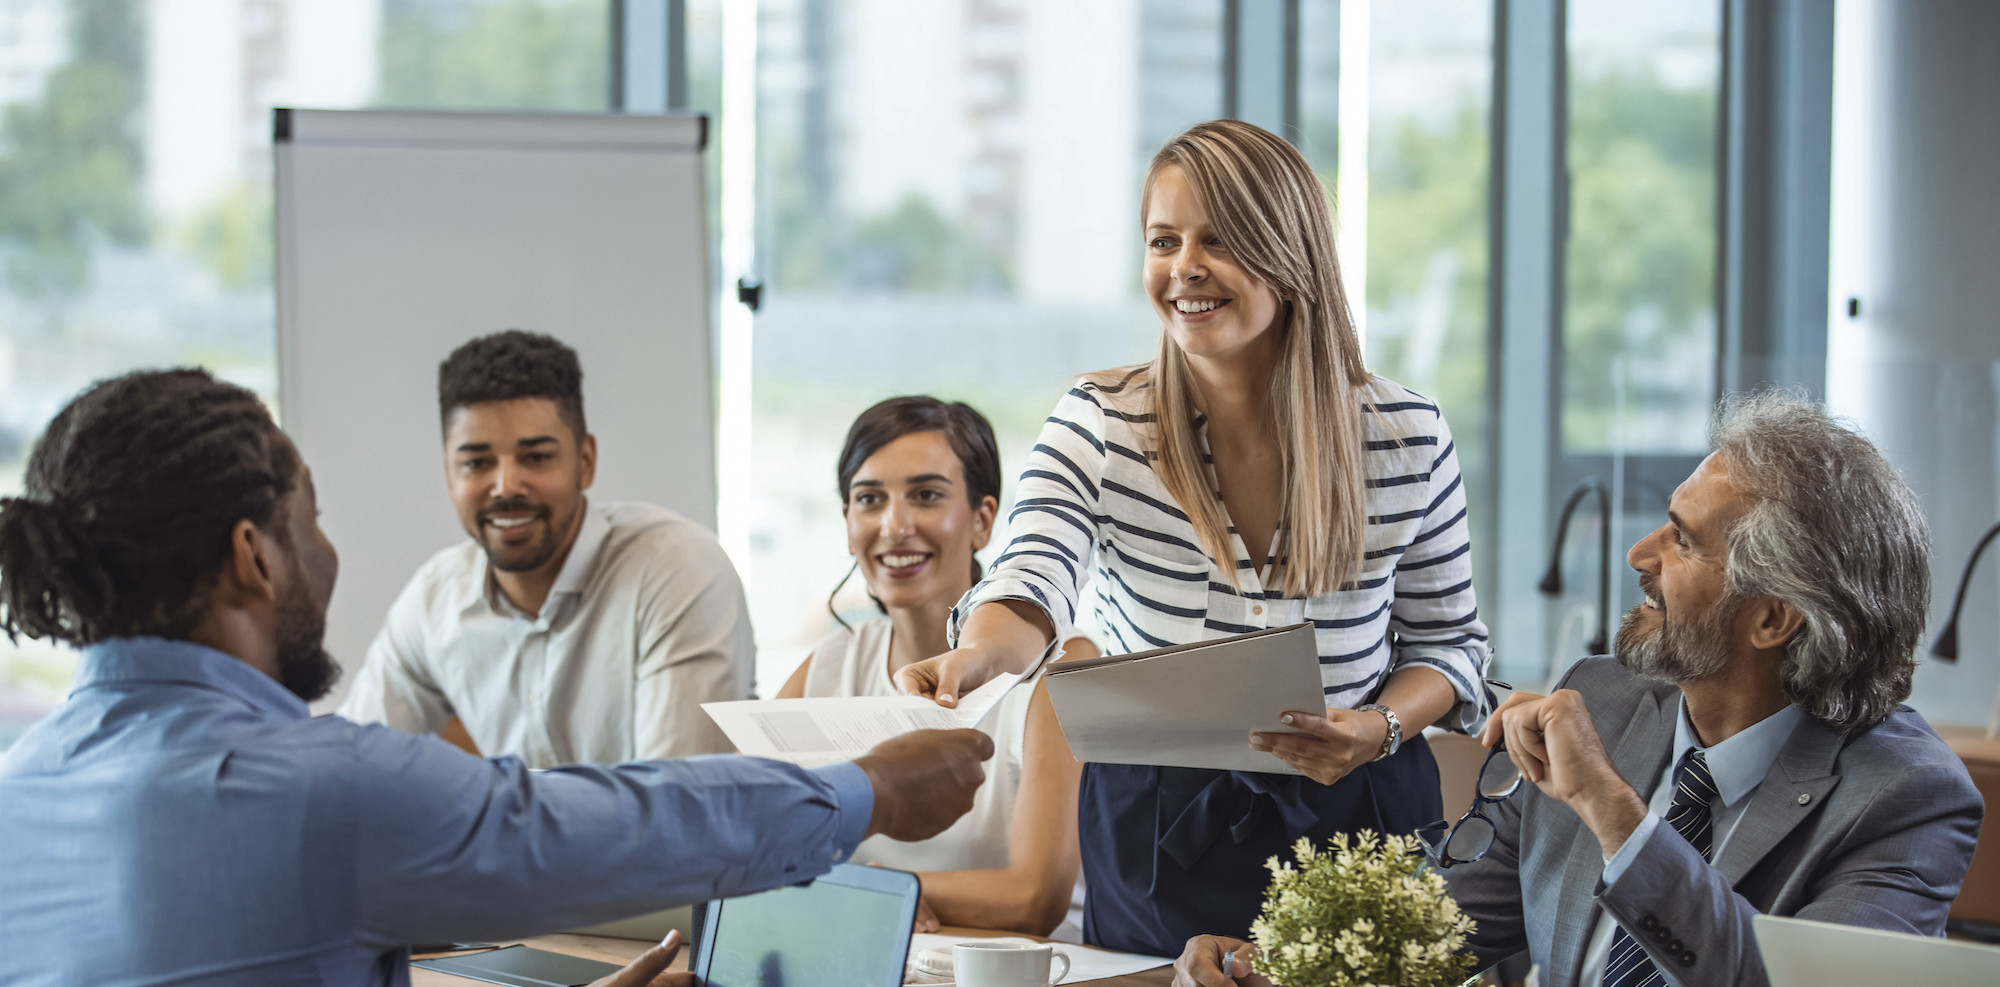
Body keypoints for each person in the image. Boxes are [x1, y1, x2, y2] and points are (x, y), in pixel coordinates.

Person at [0, 369, 994, 987]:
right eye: (312, 519)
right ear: (253, 556)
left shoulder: (18, 788)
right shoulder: (317, 792)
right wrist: (872, 788)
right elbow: (609, 823)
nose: (329, 554)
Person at [893, 120, 1493, 958]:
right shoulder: (1102, 419)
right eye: (1163, 240)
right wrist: (976, 658)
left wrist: (1379, 727)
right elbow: (1034, 570)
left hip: (1357, 809)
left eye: (1220, 240)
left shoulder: (1404, 434)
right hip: (1160, 822)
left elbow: (1450, 645)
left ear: (1289, 255)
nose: (1184, 269)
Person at [1171, 393, 1983, 987]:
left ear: (1773, 618)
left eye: (1683, 540)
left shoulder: (1906, 798)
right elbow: (1442, 920)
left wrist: (1612, 810)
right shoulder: (1607, 697)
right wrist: (1267, 956)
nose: (1640, 552)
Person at [340, 330, 754, 765]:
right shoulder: (434, 600)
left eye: (536, 458)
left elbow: (677, 804)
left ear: (586, 461)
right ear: (449, 475)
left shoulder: (677, 571)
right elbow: (353, 769)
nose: (505, 487)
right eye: (476, 464)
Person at [775, 396, 1094, 936]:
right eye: (869, 499)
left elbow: (1034, 896)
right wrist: (888, 896)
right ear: (848, 523)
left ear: (982, 520)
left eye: (925, 496)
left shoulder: (1063, 665)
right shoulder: (829, 666)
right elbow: (747, 836)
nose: (895, 525)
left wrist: (879, 890)